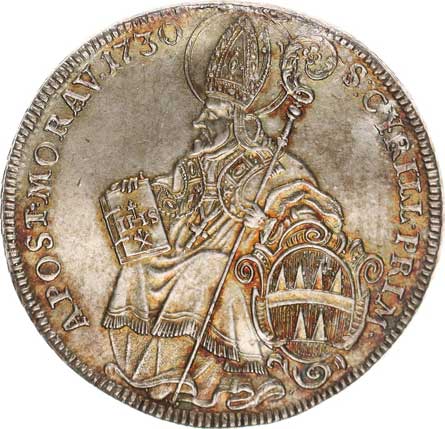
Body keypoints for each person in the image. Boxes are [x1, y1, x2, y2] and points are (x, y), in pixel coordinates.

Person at [102, 16, 343, 409]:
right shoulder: (194, 165)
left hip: (240, 265)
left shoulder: (275, 166)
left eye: (210, 117)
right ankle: (149, 374)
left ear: (237, 122)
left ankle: (213, 379)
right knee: (137, 268)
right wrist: (139, 198)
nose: (198, 123)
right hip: (183, 255)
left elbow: (319, 215)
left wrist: (267, 218)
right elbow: (171, 202)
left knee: (204, 270)